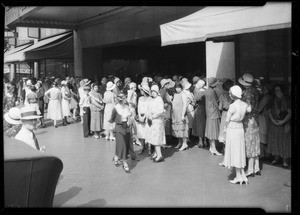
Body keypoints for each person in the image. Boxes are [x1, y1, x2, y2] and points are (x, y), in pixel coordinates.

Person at [223, 85, 250, 185]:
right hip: (240, 128)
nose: (229, 95)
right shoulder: (244, 104)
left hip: (232, 128)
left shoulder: (233, 106)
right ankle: (242, 174)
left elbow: (227, 120)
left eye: (230, 93)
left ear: (234, 94)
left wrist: (224, 131)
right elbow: (249, 110)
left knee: (234, 151)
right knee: (239, 150)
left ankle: (238, 176)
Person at [238, 73, 261, 177]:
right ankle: (257, 167)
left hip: (248, 121)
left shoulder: (247, 93)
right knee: (255, 143)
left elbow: (249, 108)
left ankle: (250, 169)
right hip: (255, 120)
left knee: (249, 144)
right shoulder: (255, 91)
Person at [267, 83, 291, 168]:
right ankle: (276, 158)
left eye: (278, 90)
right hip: (274, 124)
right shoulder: (273, 99)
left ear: (283, 91)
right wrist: (273, 121)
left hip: (284, 124)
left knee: (284, 142)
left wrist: (282, 121)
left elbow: (290, 113)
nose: (276, 92)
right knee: (275, 141)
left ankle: (285, 160)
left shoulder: (287, 100)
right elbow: (269, 112)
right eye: (275, 90)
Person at [110, 93, 132, 173]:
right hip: (119, 128)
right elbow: (112, 119)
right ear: (121, 99)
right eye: (125, 98)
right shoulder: (115, 108)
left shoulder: (126, 107)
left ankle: (116, 157)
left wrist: (130, 118)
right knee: (122, 146)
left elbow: (129, 116)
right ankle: (125, 163)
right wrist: (112, 129)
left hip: (126, 128)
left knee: (124, 145)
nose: (126, 99)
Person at [147, 85, 166, 162]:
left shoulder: (159, 99)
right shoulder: (154, 99)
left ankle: (160, 155)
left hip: (157, 121)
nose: (153, 93)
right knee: (154, 137)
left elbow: (161, 110)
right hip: (153, 121)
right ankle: (156, 153)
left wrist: (153, 116)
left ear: (157, 91)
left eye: (154, 91)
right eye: (152, 91)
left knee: (157, 138)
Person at [204, 77, 222, 155]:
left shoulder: (207, 91)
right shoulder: (213, 91)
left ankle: (212, 147)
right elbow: (216, 103)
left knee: (211, 131)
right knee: (213, 132)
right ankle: (213, 148)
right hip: (214, 113)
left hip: (209, 112)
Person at [218, 79, 234, 162]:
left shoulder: (222, 95)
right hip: (232, 115)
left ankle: (225, 149)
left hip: (224, 114)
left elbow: (220, 107)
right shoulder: (233, 95)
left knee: (224, 132)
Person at [171, 82, 189, 151]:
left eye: (178, 87)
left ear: (181, 88)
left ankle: (184, 143)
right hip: (176, 114)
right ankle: (180, 142)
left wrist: (183, 115)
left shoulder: (183, 94)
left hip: (181, 114)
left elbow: (185, 104)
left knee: (183, 128)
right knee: (178, 129)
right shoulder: (175, 94)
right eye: (176, 87)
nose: (177, 89)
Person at [258, 82, 272, 161]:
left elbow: (260, 107)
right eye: (263, 88)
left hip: (263, 117)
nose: (263, 90)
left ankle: (264, 154)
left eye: (265, 89)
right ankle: (266, 153)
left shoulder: (266, 97)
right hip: (266, 117)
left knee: (262, 135)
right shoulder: (268, 97)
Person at [136, 83, 152, 154]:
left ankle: (149, 148)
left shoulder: (150, 99)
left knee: (148, 133)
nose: (141, 91)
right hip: (141, 117)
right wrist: (140, 116)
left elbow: (149, 109)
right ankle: (142, 147)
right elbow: (139, 108)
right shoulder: (140, 98)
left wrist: (145, 116)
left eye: (142, 90)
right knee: (141, 133)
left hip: (147, 117)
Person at [192, 79, 207, 148]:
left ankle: (200, 142)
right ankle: (205, 141)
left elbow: (193, 103)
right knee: (205, 125)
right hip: (205, 110)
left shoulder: (198, 93)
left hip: (199, 110)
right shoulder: (206, 92)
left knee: (199, 125)